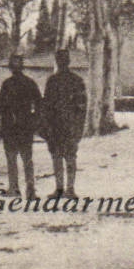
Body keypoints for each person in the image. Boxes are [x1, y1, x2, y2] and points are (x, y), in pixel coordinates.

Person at [41, 48, 87, 199]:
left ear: (67, 61)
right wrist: (47, 125)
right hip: (57, 126)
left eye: (64, 60)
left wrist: (79, 126)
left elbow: (82, 106)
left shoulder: (76, 81)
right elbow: (46, 105)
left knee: (69, 156)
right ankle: (61, 188)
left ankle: (69, 189)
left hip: (69, 126)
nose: (62, 63)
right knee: (58, 156)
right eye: (60, 60)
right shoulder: (52, 81)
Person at [0, 55, 41, 199]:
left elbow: (0, 106)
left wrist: (8, 118)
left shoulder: (7, 84)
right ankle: (30, 190)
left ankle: (15, 188)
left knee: (12, 159)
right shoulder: (29, 83)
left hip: (12, 127)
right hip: (24, 127)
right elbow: (39, 105)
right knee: (26, 159)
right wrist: (33, 120)